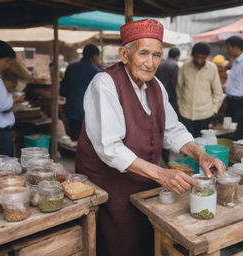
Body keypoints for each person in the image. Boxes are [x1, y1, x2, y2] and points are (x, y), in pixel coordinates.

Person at [75, 19, 225, 256]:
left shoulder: (156, 86)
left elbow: (172, 129)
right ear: (125, 54)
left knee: (146, 238)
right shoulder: (105, 83)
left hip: (143, 182)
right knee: (117, 243)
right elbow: (110, 148)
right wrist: (161, 173)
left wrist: (201, 154)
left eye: (157, 55)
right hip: (110, 184)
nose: (151, 63)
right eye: (143, 53)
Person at [177, 42, 223, 138]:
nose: (199, 60)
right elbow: (179, 89)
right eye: (197, 57)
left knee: (201, 144)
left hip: (205, 114)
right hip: (185, 113)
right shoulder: (184, 68)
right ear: (192, 55)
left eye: (202, 58)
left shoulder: (212, 68)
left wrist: (214, 110)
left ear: (207, 57)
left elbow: (218, 92)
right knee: (187, 142)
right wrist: (180, 107)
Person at [0, 40, 24, 156]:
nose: (7, 66)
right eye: (6, 61)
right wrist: (15, 99)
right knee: (3, 172)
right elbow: (3, 106)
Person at [60, 44, 102, 141]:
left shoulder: (70, 68)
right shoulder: (97, 72)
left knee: (75, 140)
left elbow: (63, 91)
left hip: (72, 111)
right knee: (88, 142)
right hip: (89, 113)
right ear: (95, 57)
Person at [225, 36, 243, 140]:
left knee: (239, 129)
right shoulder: (236, 61)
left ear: (235, 48)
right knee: (232, 128)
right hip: (232, 100)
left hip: (239, 101)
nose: (226, 51)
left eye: (228, 48)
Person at [156, 47, 180, 113]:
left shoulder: (160, 63)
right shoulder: (175, 66)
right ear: (177, 56)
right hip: (171, 98)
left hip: (159, 95)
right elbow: (175, 84)